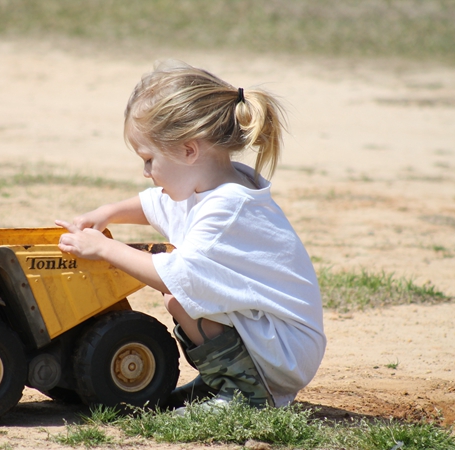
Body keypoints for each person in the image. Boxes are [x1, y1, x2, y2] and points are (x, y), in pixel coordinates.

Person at [55, 60, 326, 411]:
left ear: (188, 150)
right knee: (180, 298)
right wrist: (105, 213)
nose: (146, 172)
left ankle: (244, 394)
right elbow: (155, 204)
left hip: (283, 351)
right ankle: (223, 379)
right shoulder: (215, 184)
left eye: (149, 159)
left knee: (178, 295)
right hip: (277, 342)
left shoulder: (226, 209)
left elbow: (174, 274)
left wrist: (106, 248)